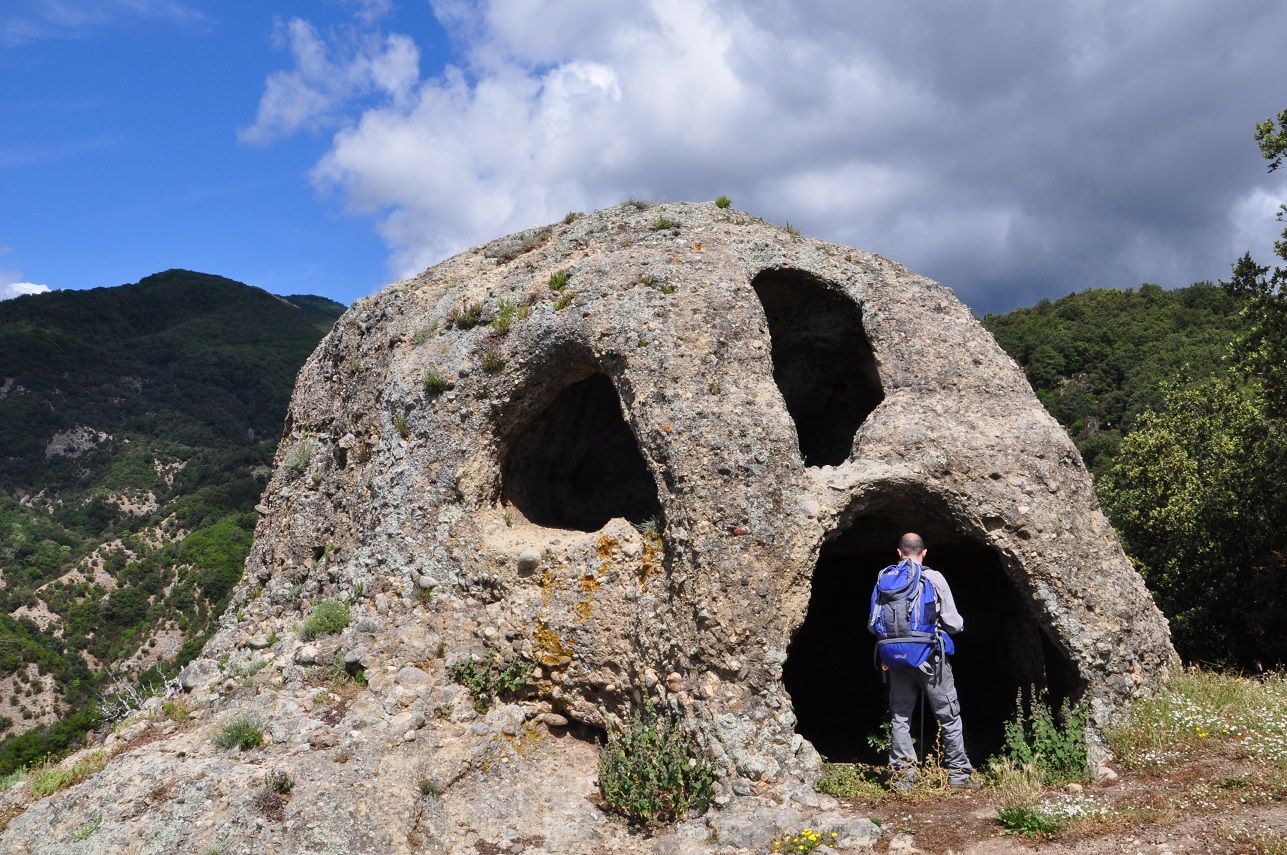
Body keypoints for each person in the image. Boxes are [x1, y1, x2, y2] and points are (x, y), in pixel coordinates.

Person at [872, 532, 977, 792]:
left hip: (896, 658)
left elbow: (873, 624)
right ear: (924, 552)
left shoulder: (884, 580)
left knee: (900, 716)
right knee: (948, 714)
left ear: (899, 552)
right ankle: (958, 776)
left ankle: (903, 778)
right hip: (931, 656)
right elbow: (954, 623)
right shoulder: (934, 578)